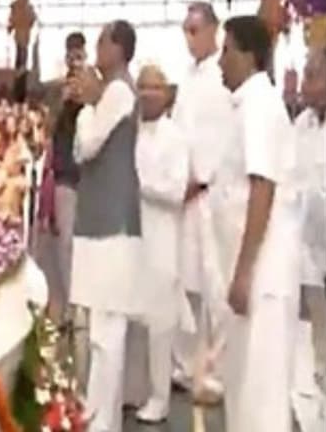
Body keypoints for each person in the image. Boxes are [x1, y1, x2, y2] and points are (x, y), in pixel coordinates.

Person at [214, 15, 301, 432]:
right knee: (243, 382)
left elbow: (262, 188)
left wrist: (245, 272)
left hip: (263, 272)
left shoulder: (260, 105)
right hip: (248, 264)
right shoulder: (246, 104)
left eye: (226, 50)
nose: (220, 60)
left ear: (249, 56)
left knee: (260, 391)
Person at [68, 20, 142, 432]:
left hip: (112, 227)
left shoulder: (117, 92)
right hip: (104, 224)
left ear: (119, 49)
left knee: (107, 335)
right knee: (102, 332)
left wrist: (87, 106)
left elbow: (87, 146)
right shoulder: (111, 92)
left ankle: (101, 423)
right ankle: (101, 419)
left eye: (101, 42)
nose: (95, 49)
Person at [171, 1, 233, 401]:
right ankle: (184, 365)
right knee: (183, 282)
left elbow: (223, 138)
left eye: (195, 30)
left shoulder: (222, 78)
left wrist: (200, 178)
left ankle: (217, 371)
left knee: (215, 286)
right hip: (182, 195)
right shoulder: (187, 78)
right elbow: (179, 134)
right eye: (185, 31)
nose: (190, 38)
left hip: (211, 196)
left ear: (213, 30)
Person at [130, 63, 191, 424]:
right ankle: (137, 392)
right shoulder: (131, 132)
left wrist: (141, 185)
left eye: (154, 87)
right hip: (133, 237)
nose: (147, 93)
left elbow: (176, 190)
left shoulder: (175, 137)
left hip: (163, 240)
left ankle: (160, 397)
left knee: (160, 324)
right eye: (142, 86)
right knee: (134, 319)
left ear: (167, 94)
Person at [35, 31, 87, 324]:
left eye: (79, 54)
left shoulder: (95, 87)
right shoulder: (57, 90)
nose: (75, 60)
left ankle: (85, 303)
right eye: (71, 54)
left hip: (91, 177)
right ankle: (69, 303)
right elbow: (48, 128)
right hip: (65, 174)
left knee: (87, 243)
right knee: (65, 242)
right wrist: (62, 102)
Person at [292, 47, 326, 432]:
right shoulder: (301, 124)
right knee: (312, 344)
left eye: (313, 76)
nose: (305, 85)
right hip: (307, 256)